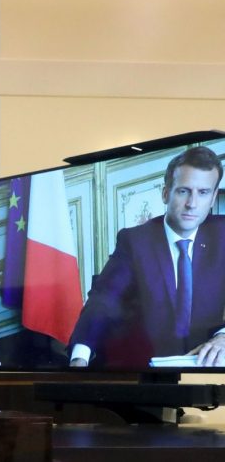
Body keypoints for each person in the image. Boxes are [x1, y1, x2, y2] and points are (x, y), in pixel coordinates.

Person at [69, 146, 225, 368]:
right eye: (183, 191)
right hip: (149, 372)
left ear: (212, 198)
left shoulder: (222, 235)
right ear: (165, 193)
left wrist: (223, 337)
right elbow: (103, 301)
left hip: (206, 369)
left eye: (203, 193)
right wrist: (80, 357)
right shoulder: (135, 241)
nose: (192, 203)